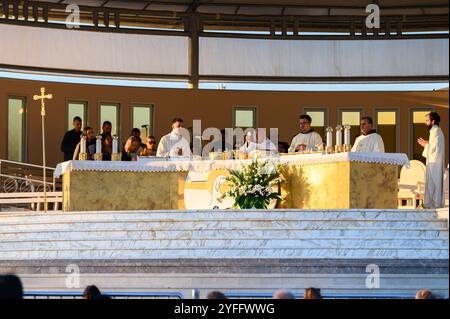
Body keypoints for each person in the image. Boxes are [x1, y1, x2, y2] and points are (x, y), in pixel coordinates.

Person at [417, 112, 446, 209]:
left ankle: (434, 204)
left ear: (433, 121)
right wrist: (427, 144)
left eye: (427, 120)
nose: (425, 123)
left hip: (435, 164)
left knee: (434, 183)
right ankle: (430, 204)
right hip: (434, 163)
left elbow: (435, 149)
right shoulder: (434, 131)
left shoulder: (436, 131)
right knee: (432, 183)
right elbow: (434, 146)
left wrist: (426, 145)